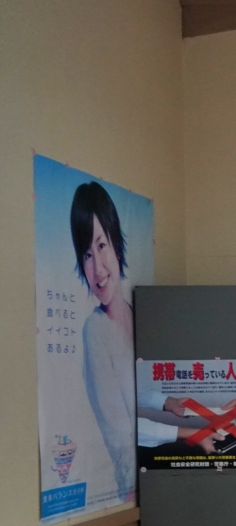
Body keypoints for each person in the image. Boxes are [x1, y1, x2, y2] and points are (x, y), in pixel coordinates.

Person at [72, 182, 136, 502]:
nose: (97, 268)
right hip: (136, 491)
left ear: (116, 245)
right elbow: (120, 440)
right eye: (86, 254)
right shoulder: (95, 331)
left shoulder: (141, 317)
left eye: (101, 246)